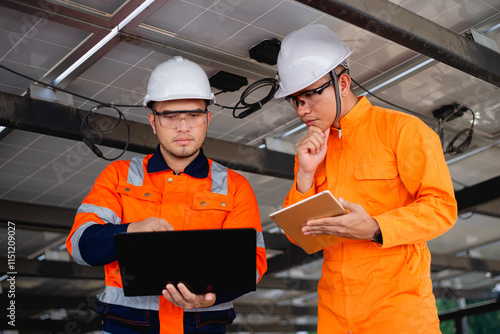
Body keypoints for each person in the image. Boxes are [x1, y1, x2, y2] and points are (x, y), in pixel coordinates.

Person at [274, 25, 457, 333]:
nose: (302, 110)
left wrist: (375, 227)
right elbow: (300, 237)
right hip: (335, 316)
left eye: (309, 96)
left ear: (342, 82)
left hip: (399, 313)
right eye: (295, 100)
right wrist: (305, 174)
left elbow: (441, 209)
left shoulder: (402, 130)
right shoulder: (314, 150)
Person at [66, 56, 267, 334]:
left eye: (194, 115)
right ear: (152, 121)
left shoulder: (234, 186)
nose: (183, 127)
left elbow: (251, 263)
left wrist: (209, 297)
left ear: (207, 118)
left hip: (201, 325)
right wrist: (131, 230)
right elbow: (80, 245)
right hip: (129, 327)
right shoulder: (119, 176)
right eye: (170, 116)